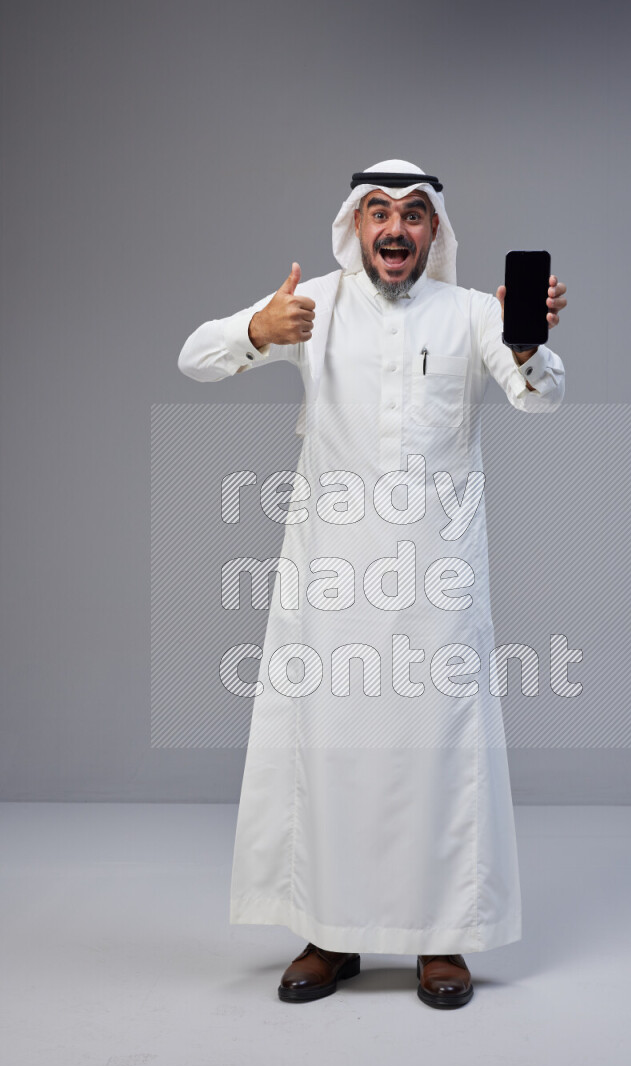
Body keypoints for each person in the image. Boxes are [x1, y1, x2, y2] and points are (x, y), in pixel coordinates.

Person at [178, 159, 568, 1009]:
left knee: (438, 752)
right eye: (380, 213)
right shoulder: (310, 305)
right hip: (333, 579)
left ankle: (442, 941)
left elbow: (540, 399)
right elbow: (193, 357)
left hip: (437, 580)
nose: (396, 229)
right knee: (334, 750)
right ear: (356, 224)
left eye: (416, 214)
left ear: (436, 231)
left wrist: (526, 345)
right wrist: (258, 328)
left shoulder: (472, 315)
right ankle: (330, 933)